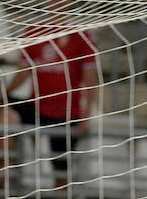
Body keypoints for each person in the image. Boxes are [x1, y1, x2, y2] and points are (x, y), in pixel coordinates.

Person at [6, 11, 97, 183]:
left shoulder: (81, 33)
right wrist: (3, 95)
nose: (58, 0)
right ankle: (7, 170)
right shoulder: (35, 30)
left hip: (67, 112)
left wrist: (88, 113)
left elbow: (90, 76)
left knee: (61, 168)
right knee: (4, 110)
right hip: (38, 108)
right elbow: (24, 71)